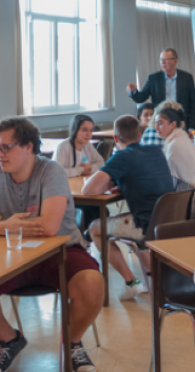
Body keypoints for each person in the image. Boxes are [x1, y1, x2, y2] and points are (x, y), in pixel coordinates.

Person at [0, 117, 103, 372]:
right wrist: (5, 226)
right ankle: (9, 339)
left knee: (92, 285)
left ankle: (71, 343)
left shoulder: (51, 170)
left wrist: (8, 226)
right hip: (13, 255)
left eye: (5, 147)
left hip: (61, 252)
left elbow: (48, 228)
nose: (0, 154)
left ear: (28, 146)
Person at [83, 115, 174, 300]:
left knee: (94, 228)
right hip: (167, 221)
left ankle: (131, 282)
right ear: (139, 135)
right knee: (125, 220)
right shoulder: (156, 151)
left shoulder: (122, 156)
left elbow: (88, 190)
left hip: (144, 225)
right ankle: (149, 275)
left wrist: (110, 183)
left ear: (115, 139)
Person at [53, 114, 105, 238]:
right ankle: (81, 241)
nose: (88, 134)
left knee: (103, 212)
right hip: (66, 194)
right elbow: (57, 172)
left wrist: (90, 168)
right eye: (84, 130)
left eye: (91, 130)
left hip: (82, 190)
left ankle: (88, 239)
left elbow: (101, 163)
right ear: (75, 129)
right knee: (88, 213)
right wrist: (80, 170)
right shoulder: (63, 147)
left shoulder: (88, 146)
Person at [155, 108, 195, 218]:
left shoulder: (174, 144)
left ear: (173, 124)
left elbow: (167, 182)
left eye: (160, 124)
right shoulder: (182, 138)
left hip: (191, 205)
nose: (156, 128)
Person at [126, 47, 195, 130]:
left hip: (181, 122)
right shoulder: (153, 78)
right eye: (161, 60)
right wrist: (133, 92)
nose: (163, 63)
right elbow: (141, 98)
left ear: (175, 61)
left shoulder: (186, 78)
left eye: (166, 59)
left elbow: (193, 105)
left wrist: (192, 127)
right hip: (161, 122)